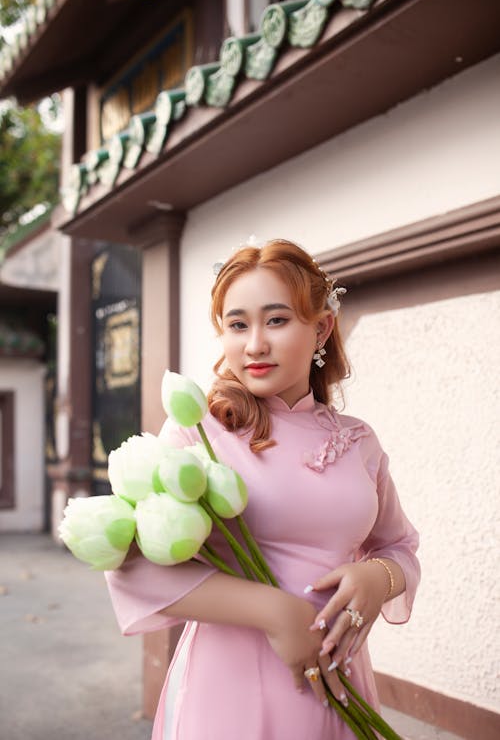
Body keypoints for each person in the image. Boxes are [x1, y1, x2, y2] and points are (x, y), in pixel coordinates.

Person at [105, 239, 420, 740]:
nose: (254, 344)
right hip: (229, 687)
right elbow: (132, 565)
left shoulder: (359, 441)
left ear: (321, 327)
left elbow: (398, 547)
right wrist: (274, 612)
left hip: (337, 686)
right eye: (236, 324)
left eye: (276, 320)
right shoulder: (199, 432)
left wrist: (377, 577)